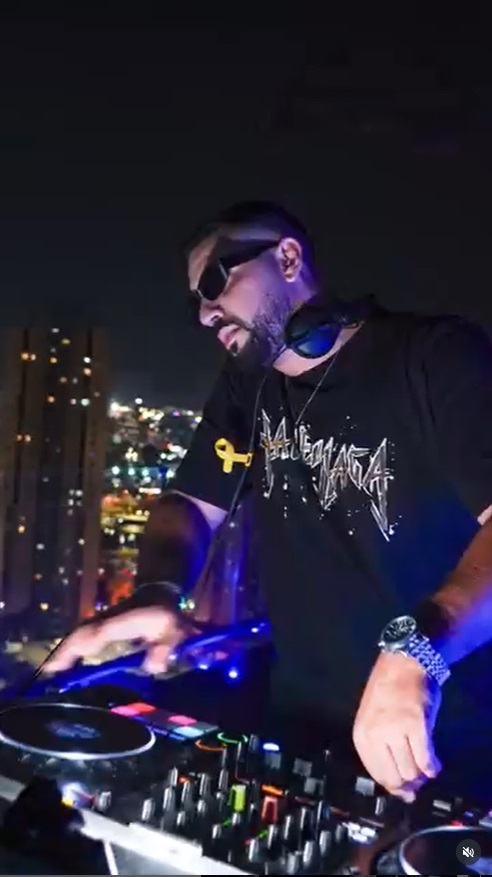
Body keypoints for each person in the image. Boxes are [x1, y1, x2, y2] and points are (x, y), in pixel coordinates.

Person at [45, 201, 492, 804]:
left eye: (214, 282)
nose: (206, 313)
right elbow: (189, 502)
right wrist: (157, 591)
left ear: (286, 258)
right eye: (195, 302)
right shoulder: (248, 386)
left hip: (446, 740)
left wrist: (417, 652)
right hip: (304, 731)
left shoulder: (434, 358)